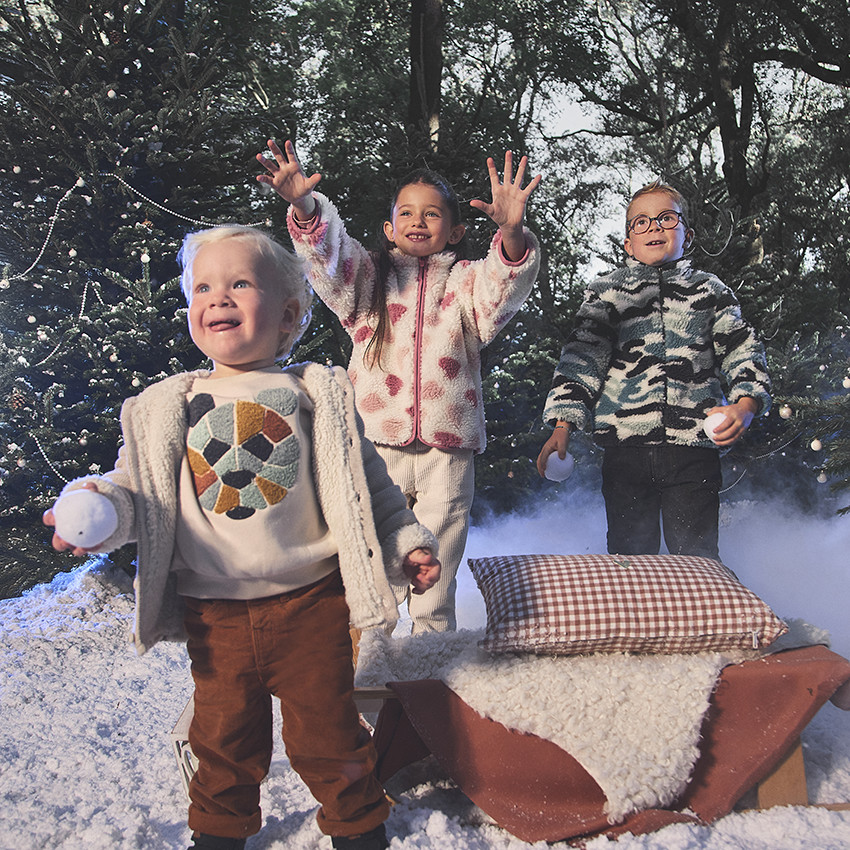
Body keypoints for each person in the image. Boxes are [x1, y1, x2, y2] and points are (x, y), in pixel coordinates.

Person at [43, 225, 441, 850]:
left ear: (288, 316)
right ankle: (219, 834)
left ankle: (358, 827)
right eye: (203, 286)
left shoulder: (314, 397)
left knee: (328, 732)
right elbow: (135, 491)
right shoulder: (167, 407)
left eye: (239, 283)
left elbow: (373, 491)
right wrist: (97, 510)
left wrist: (407, 544)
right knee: (222, 737)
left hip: (310, 605)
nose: (217, 298)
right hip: (214, 614)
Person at [256, 139, 541, 634]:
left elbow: (506, 284)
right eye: (406, 213)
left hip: (447, 451)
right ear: (389, 228)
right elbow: (329, 260)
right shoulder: (367, 280)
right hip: (375, 444)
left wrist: (512, 232)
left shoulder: (469, 284)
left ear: (454, 231)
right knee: (374, 556)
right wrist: (304, 207)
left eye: (432, 214)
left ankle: (431, 658)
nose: (418, 220)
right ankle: (369, 658)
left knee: (439, 562)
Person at [536, 180, 771, 560]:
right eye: (640, 222)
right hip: (624, 449)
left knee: (697, 556)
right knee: (629, 557)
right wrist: (563, 425)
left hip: (694, 448)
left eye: (666, 218)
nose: (654, 227)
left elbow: (742, 349)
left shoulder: (710, 291)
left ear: (687, 235)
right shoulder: (606, 294)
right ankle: (630, 617)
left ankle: (701, 617)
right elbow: (582, 358)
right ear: (628, 243)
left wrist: (745, 405)